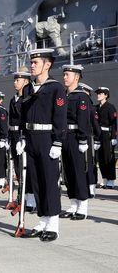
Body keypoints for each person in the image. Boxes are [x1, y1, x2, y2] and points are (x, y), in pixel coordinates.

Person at [17, 48, 67, 242]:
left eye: (36, 63)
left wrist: (57, 141)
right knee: (36, 181)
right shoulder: (28, 88)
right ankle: (42, 220)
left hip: (47, 138)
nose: (32, 65)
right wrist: (22, 137)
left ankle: (53, 224)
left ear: (47, 65)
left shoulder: (55, 88)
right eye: (32, 62)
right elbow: (23, 115)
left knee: (49, 181)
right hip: (31, 138)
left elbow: (60, 117)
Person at [60, 65, 92, 220]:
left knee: (78, 172)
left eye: (67, 74)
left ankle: (83, 207)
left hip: (76, 137)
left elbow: (84, 120)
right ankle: (73, 204)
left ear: (77, 77)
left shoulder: (81, 96)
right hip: (65, 136)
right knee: (68, 172)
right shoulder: (64, 95)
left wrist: (83, 139)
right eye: (64, 74)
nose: (64, 77)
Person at [8, 72, 37, 211]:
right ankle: (23, 198)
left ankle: (31, 200)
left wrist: (23, 138)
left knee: (29, 170)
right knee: (19, 169)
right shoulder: (13, 99)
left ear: (26, 82)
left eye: (18, 80)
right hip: (14, 136)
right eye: (15, 80)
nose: (15, 82)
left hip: (23, 135)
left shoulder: (28, 99)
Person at [79, 82, 101, 197]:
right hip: (78, 136)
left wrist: (97, 138)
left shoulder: (91, 106)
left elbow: (95, 123)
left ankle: (91, 186)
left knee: (90, 162)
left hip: (88, 137)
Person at [94, 87, 117, 189]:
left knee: (109, 158)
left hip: (107, 136)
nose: (98, 95)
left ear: (106, 95)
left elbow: (114, 124)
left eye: (101, 93)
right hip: (99, 135)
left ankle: (111, 180)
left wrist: (114, 137)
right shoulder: (96, 107)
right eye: (98, 93)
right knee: (101, 158)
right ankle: (104, 179)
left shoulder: (110, 107)